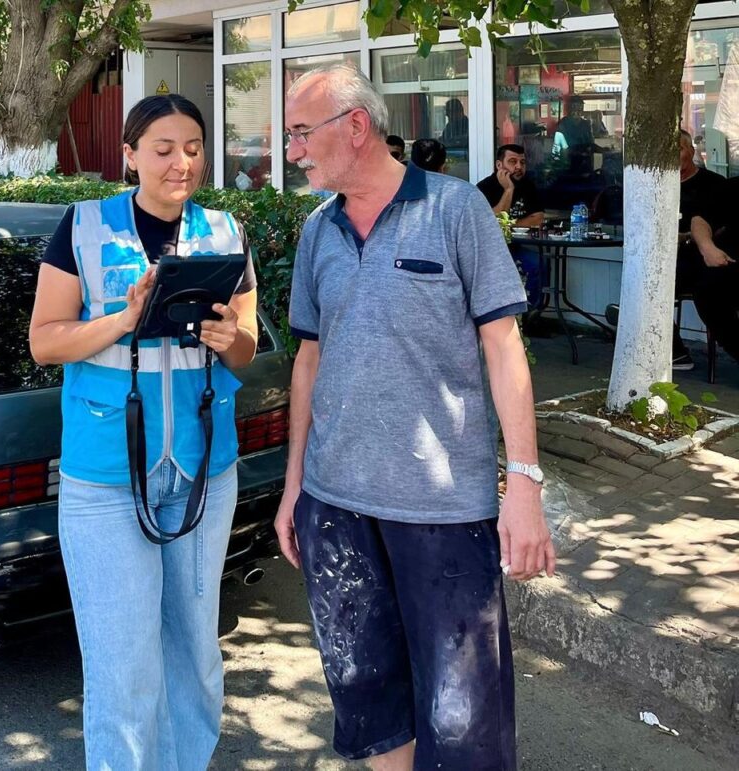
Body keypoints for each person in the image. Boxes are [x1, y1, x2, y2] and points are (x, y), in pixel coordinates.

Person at [279, 64, 554, 770]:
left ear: (356, 126)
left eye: (301, 133)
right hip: (336, 507)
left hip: (443, 509)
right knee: (371, 704)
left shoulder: (455, 210)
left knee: (465, 722)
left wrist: (523, 482)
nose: (293, 151)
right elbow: (308, 360)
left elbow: (504, 346)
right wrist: (294, 487)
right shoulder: (317, 231)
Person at [28, 93, 259, 770]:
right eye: (163, 149)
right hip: (106, 472)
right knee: (122, 662)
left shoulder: (225, 232)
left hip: (203, 467)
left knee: (195, 648)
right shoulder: (84, 226)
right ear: (129, 155)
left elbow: (246, 348)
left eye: (193, 148)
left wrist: (230, 338)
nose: (181, 162)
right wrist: (122, 321)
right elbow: (45, 341)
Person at [674, 129, 728, 370]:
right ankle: (675, 352)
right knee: (642, 282)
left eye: (678, 149)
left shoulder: (714, 184)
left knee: (708, 291)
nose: (673, 157)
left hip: (702, 259)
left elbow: (721, 227)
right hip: (667, 260)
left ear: (691, 150)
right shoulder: (656, 187)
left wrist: (687, 237)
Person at [682, 155, 738, 369]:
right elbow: (700, 220)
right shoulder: (732, 187)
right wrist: (708, 248)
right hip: (730, 264)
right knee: (708, 291)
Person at [477, 144, 545, 308]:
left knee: (538, 263)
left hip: (515, 247)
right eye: (513, 162)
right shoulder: (484, 188)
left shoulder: (528, 186)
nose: (518, 167)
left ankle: (530, 312)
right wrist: (508, 190)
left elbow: (538, 219)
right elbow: (493, 221)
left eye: (522, 162)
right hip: (489, 251)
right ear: (499, 165)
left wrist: (507, 224)